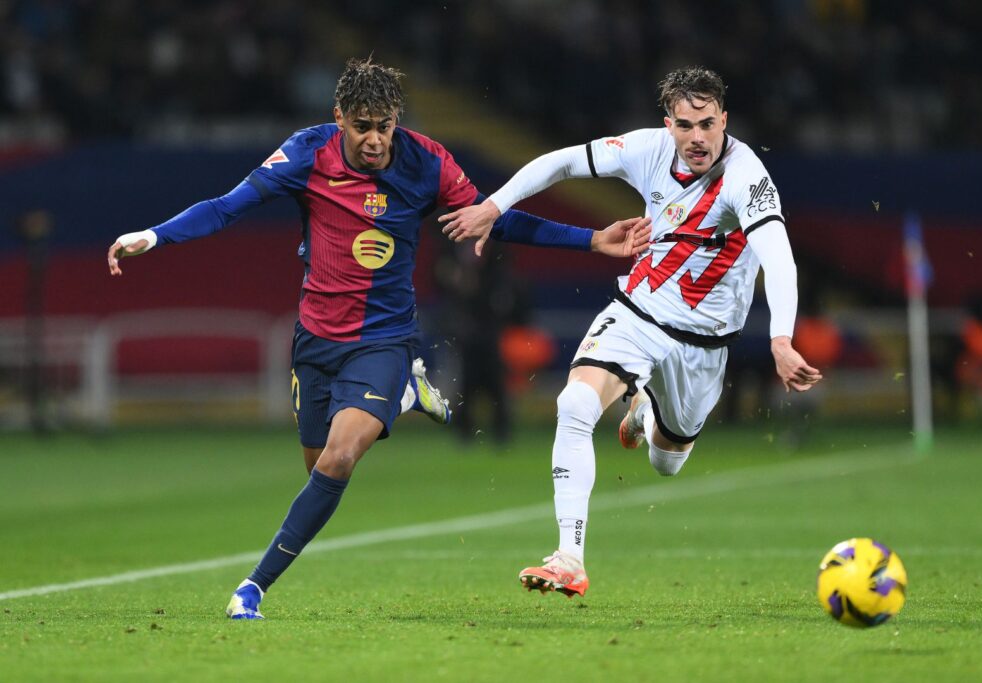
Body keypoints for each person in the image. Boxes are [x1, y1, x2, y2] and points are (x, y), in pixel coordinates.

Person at [106, 57, 650, 619]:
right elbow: (226, 208)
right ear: (338, 117)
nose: (373, 139)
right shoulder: (305, 154)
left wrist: (591, 241)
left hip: (384, 340)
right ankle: (409, 394)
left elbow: (493, 217)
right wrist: (153, 235)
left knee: (340, 459)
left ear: (397, 121)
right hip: (315, 341)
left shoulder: (426, 161)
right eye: (361, 126)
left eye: (384, 126)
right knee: (318, 463)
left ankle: (253, 586)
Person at [440, 66, 822, 597]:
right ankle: (569, 556)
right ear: (669, 124)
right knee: (574, 405)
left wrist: (781, 337)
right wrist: (493, 205)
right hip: (639, 310)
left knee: (666, 463)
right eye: (685, 125)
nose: (697, 138)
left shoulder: (747, 177)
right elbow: (565, 161)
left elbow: (778, 257)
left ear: (724, 120)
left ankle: (644, 413)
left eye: (707, 124)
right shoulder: (645, 150)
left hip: (705, 343)